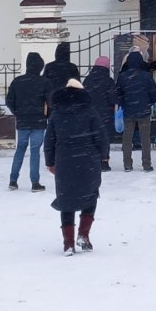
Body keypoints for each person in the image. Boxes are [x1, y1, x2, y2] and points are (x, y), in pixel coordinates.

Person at [44, 78, 109, 256]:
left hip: (64, 160)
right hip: (88, 159)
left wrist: (50, 161)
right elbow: (101, 135)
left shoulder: (56, 113)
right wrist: (104, 155)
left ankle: (68, 244)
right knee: (91, 195)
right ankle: (83, 234)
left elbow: (49, 140)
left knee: (66, 199)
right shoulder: (89, 111)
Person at [6, 52, 51, 192]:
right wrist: (47, 116)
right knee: (35, 151)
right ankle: (35, 182)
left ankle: (13, 180)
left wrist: (18, 113)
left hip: (23, 121)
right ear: (40, 66)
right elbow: (50, 102)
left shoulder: (17, 81)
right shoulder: (45, 82)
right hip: (38, 121)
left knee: (20, 149)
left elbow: (9, 101)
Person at [115, 50, 156, 172]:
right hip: (144, 111)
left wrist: (123, 103)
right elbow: (154, 93)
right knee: (145, 139)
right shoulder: (146, 76)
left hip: (128, 111)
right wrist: (149, 102)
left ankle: (127, 164)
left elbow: (117, 94)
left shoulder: (123, 76)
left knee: (127, 139)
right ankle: (146, 164)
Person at [83, 55, 117, 172]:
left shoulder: (87, 80)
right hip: (105, 114)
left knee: (91, 137)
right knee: (104, 138)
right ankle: (104, 161)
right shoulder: (108, 81)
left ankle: (92, 161)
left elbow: (83, 96)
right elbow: (113, 98)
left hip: (90, 113)